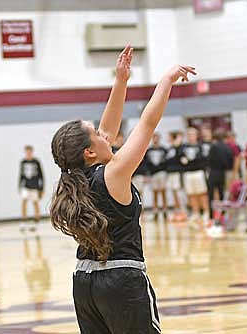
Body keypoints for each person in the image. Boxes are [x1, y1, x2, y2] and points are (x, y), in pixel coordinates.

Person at [50, 44, 195, 333]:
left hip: (84, 282)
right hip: (121, 281)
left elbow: (107, 131)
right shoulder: (114, 173)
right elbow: (147, 123)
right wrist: (166, 80)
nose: (106, 136)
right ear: (89, 152)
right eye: (97, 135)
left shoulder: (73, 180)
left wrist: (121, 80)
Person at [181, 127, 209, 225]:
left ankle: (206, 212)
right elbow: (180, 159)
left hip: (199, 172)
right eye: (188, 135)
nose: (190, 137)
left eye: (192, 134)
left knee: (202, 193)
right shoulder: (184, 147)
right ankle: (195, 212)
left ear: (196, 136)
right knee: (191, 194)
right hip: (188, 173)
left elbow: (204, 159)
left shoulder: (201, 146)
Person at [207, 128, 234, 227]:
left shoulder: (213, 146)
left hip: (213, 172)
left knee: (211, 195)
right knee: (222, 195)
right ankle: (222, 215)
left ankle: (211, 216)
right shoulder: (227, 147)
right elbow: (230, 161)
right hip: (223, 173)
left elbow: (209, 160)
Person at [19, 145, 44, 232]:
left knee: (35, 203)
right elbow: (21, 175)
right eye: (27, 152)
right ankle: (23, 222)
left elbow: (41, 175)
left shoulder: (36, 162)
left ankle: (36, 222)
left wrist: (41, 189)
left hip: (35, 186)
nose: (28, 153)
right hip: (26, 186)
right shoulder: (23, 162)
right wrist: (20, 186)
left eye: (29, 152)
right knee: (24, 202)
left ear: (32, 152)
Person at [146, 133, 169, 221]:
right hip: (153, 174)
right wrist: (148, 174)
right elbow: (147, 163)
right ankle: (155, 211)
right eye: (154, 138)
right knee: (155, 192)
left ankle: (165, 210)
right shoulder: (149, 150)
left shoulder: (164, 149)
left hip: (162, 173)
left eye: (157, 138)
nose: (156, 139)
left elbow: (167, 162)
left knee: (163, 191)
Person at [165, 131, 186, 222]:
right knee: (173, 193)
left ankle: (183, 211)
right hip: (170, 173)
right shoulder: (170, 148)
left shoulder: (179, 148)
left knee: (179, 192)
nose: (167, 138)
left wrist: (178, 144)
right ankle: (177, 212)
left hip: (177, 172)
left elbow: (182, 158)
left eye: (169, 136)